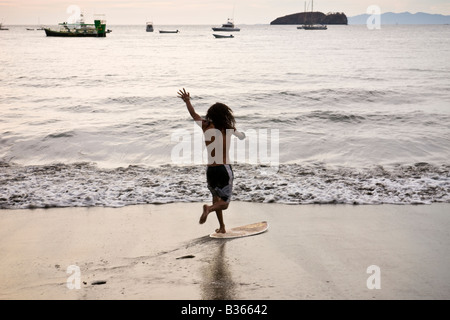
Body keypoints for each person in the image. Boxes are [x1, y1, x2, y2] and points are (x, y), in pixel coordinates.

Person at [177, 88, 246, 234]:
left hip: (210, 169)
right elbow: (241, 136)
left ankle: (222, 227)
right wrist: (240, 134)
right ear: (225, 115)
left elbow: (193, 114)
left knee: (216, 198)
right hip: (223, 168)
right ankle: (208, 209)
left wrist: (187, 100)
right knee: (224, 204)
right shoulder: (228, 128)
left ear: (210, 114)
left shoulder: (206, 126)